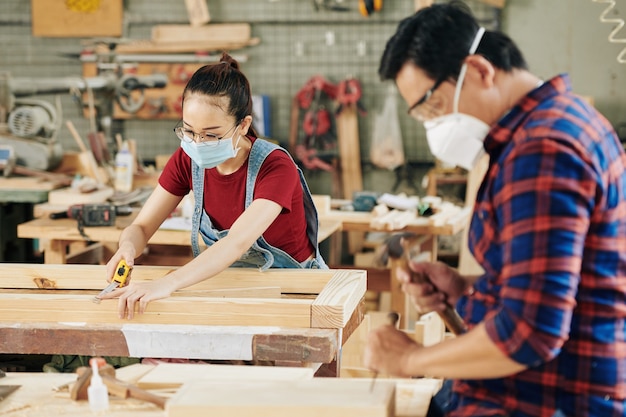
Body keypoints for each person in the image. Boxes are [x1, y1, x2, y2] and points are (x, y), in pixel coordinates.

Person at [364, 2, 626, 416]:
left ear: (481, 71)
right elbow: (561, 287)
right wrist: (468, 289)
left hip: (547, 399)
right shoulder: (561, 123)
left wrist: (408, 359)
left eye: (433, 107)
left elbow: (531, 333)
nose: (433, 125)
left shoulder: (542, 150)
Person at [101, 52, 327, 319]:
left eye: (211, 135)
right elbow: (140, 227)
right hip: (230, 286)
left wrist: (168, 282)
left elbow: (235, 243)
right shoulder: (187, 159)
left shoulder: (276, 167)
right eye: (189, 130)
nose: (197, 143)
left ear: (243, 125)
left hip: (294, 293)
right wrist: (128, 246)